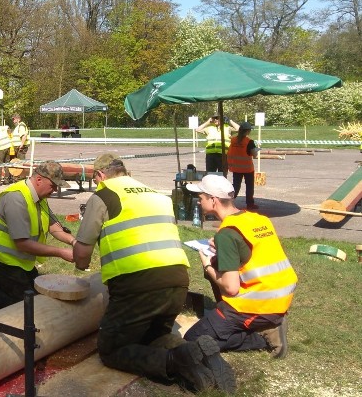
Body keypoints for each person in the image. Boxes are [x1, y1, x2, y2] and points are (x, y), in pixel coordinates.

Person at [71, 153, 236, 393]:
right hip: (177, 280)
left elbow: (83, 252)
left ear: (100, 175)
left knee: (111, 350)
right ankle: (197, 354)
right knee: (151, 336)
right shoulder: (157, 195)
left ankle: (175, 362)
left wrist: (79, 263)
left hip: (137, 285)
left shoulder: (103, 196)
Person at [184, 175, 297, 360]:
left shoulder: (227, 233)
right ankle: (268, 324)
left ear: (213, 200)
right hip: (281, 298)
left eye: (201, 197)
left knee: (193, 340)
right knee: (218, 262)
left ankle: (262, 337)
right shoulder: (258, 219)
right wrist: (223, 250)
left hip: (257, 304)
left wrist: (206, 265)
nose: (198, 202)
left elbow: (231, 287)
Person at [0, 161, 75, 309]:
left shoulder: (39, 197)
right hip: (1, 260)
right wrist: (60, 252)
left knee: (37, 297)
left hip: (21, 262)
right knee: (25, 306)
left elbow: (53, 226)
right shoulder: (16, 199)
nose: (54, 190)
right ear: (39, 179)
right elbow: (22, 244)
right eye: (53, 186)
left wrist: (74, 242)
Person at [227, 122, 260, 210]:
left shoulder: (233, 140)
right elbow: (254, 155)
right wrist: (256, 151)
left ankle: (229, 202)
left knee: (235, 187)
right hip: (247, 168)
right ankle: (250, 204)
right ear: (248, 131)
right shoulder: (249, 142)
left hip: (236, 168)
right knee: (249, 187)